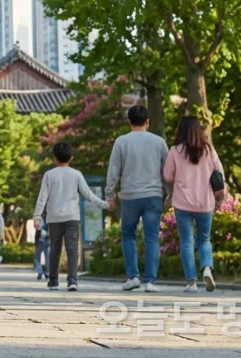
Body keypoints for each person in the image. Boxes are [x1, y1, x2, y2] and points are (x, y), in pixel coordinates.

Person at [106, 104, 169, 293]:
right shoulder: (159, 142)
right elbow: (167, 172)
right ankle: (150, 281)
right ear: (147, 122)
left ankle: (133, 276)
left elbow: (113, 171)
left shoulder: (121, 142)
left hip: (129, 196)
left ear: (130, 122)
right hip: (153, 195)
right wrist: (171, 193)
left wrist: (110, 195)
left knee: (128, 235)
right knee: (152, 238)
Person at [34, 141, 109, 291]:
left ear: (54, 158)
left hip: (54, 218)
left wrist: (37, 216)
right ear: (71, 158)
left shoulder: (49, 175)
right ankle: (72, 281)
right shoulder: (76, 174)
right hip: (72, 218)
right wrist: (104, 204)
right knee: (72, 249)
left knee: (54, 249)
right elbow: (88, 194)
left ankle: (53, 281)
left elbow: (42, 197)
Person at [163, 116, 225, 293]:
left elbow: (167, 176)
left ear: (181, 131)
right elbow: (219, 175)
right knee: (204, 239)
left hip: (182, 203)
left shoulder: (175, 151)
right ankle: (207, 268)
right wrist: (220, 198)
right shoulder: (209, 150)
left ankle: (191, 282)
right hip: (205, 203)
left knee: (186, 242)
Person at [33, 216, 50, 281]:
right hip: (47, 239)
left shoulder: (39, 218)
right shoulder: (50, 218)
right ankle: (46, 272)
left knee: (37, 257)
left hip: (41, 240)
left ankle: (41, 271)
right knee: (47, 257)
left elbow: (37, 228)